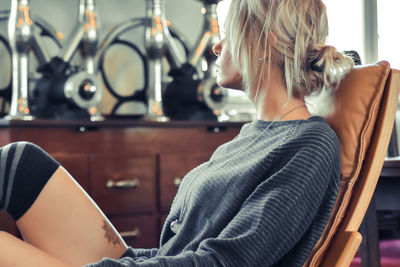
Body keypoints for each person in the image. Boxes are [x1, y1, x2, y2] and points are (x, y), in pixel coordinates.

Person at [0, 0, 354, 266]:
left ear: (264, 44)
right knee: (19, 161)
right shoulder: (252, 136)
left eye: (228, 34)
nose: (217, 46)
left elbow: (227, 262)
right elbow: (180, 249)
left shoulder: (310, 144)